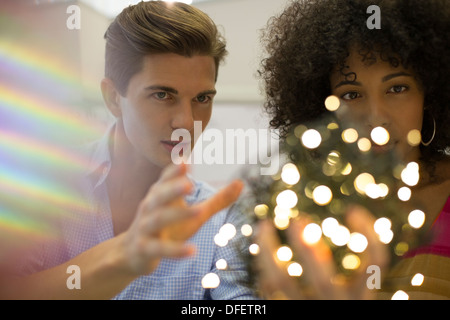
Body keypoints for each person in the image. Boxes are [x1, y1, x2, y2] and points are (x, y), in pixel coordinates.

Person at [2, 1, 253, 300]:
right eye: (162, 95)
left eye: (202, 98)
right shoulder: (45, 181)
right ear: (113, 98)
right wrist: (123, 256)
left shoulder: (222, 217)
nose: (186, 122)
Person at [255, 0, 450, 299]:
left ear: (431, 94)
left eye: (397, 88)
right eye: (352, 94)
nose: (376, 117)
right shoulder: (303, 209)